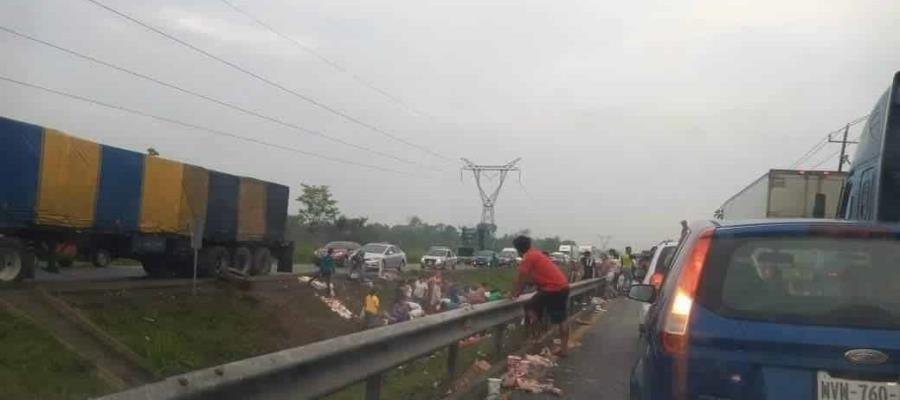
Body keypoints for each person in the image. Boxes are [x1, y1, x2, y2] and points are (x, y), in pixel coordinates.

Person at [510, 235, 571, 356]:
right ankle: (564, 349)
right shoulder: (537, 254)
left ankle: (536, 340)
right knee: (562, 319)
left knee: (529, 307)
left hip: (551, 289)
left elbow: (521, 279)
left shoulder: (528, 257)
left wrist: (515, 293)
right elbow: (534, 277)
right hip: (563, 287)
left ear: (518, 249)